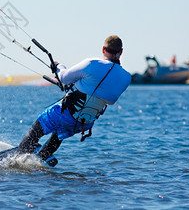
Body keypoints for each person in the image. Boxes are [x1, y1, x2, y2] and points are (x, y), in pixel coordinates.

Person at [18, 35, 132, 165]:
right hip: (84, 123)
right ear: (121, 52)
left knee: (35, 131)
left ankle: (18, 159)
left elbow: (64, 78)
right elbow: (111, 100)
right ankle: (42, 157)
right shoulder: (126, 77)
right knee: (60, 132)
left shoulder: (92, 63)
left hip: (65, 114)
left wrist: (59, 66)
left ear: (103, 49)